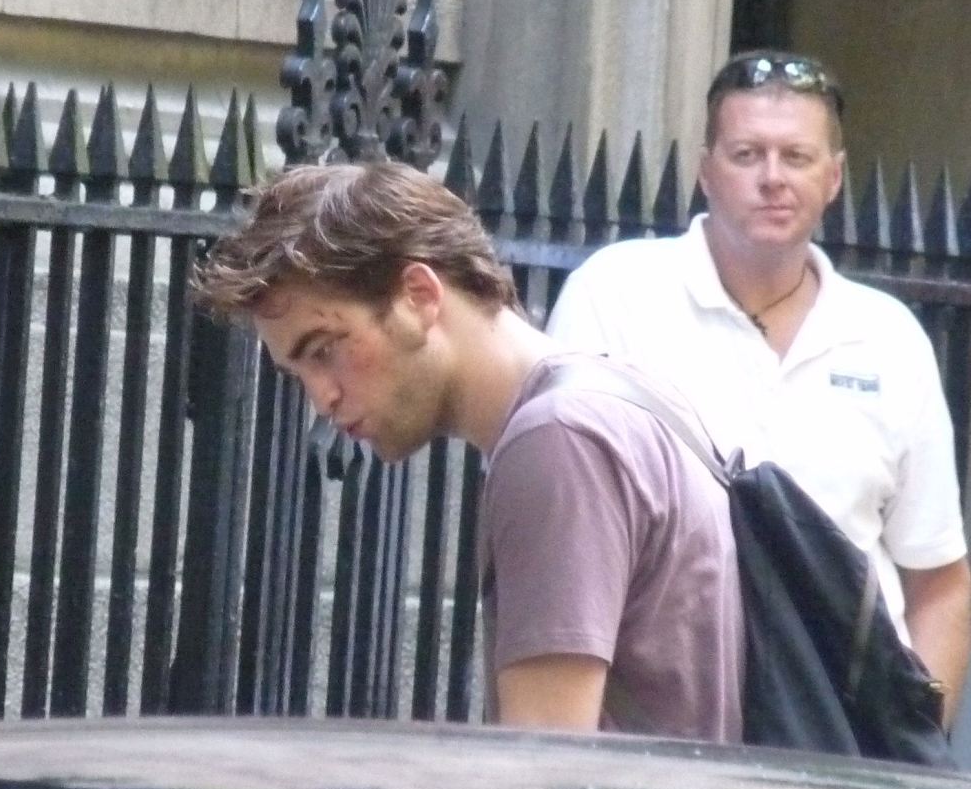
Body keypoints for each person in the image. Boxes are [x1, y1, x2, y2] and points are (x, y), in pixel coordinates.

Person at [191, 160, 744, 740]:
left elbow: (547, 762)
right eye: (299, 371)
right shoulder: (619, 398)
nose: (321, 398)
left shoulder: (559, 440)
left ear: (419, 295)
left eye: (326, 349)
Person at [548, 49, 971, 726]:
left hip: (839, 735)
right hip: (658, 726)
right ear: (705, 171)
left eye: (796, 157)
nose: (772, 178)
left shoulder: (891, 338)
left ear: (833, 177)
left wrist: (910, 747)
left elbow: (940, 579)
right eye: (747, 155)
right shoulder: (613, 296)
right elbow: (560, 532)